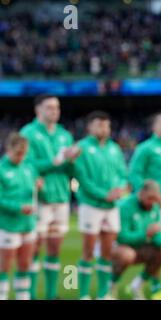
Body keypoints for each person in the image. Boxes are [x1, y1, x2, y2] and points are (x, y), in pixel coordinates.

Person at [20, 94, 80, 300]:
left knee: (54, 247)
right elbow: (25, 165)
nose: (55, 111)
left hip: (61, 197)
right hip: (39, 198)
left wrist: (72, 161)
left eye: (57, 107)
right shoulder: (27, 133)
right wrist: (55, 160)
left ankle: (52, 294)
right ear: (38, 110)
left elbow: (70, 167)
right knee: (35, 246)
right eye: (50, 107)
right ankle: (30, 294)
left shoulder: (64, 134)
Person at [74, 111, 128, 300]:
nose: (104, 129)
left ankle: (104, 294)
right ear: (89, 127)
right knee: (88, 251)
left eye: (106, 125)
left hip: (112, 206)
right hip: (91, 205)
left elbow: (123, 174)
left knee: (106, 252)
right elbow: (83, 179)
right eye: (99, 125)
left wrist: (120, 189)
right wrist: (105, 194)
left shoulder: (114, 148)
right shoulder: (81, 148)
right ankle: (84, 294)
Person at [111, 180, 161, 300]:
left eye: (155, 199)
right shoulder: (126, 206)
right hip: (118, 246)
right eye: (150, 198)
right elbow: (121, 237)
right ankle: (111, 285)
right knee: (127, 255)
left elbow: (156, 232)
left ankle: (137, 285)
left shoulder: (154, 207)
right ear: (141, 193)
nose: (152, 202)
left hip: (140, 245)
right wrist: (145, 234)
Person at [128, 113, 161, 249]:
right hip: (158, 206)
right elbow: (134, 174)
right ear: (153, 127)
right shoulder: (145, 148)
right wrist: (148, 197)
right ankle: (148, 271)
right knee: (158, 250)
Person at [0, 133, 40, 300]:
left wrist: (38, 184)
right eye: (17, 153)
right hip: (8, 224)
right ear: (8, 149)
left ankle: (22, 296)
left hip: (28, 223)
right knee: (5, 264)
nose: (20, 157)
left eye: (23, 153)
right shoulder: (1, 169)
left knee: (25, 263)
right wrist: (18, 207)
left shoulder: (28, 167)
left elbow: (30, 191)